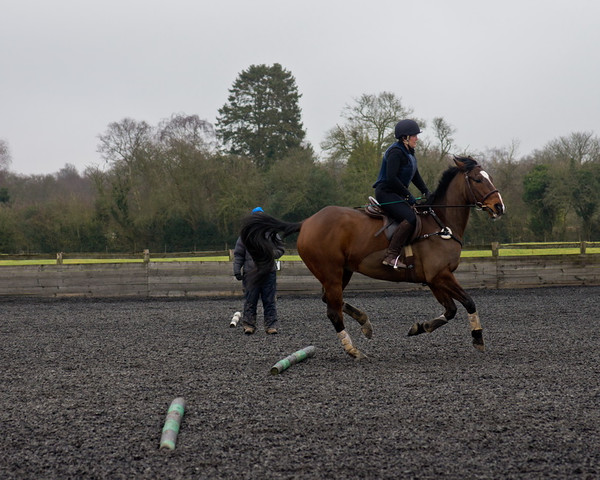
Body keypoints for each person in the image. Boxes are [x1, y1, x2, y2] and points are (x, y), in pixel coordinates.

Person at [372, 119, 431, 269]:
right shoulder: (395, 152)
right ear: (405, 138)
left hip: (396, 193)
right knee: (410, 218)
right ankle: (391, 255)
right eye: (414, 136)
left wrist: (425, 190)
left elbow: (415, 175)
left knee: (417, 213)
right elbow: (392, 179)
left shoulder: (409, 152)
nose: (417, 138)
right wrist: (408, 196)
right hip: (386, 193)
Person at [233, 207, 285, 335]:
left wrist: (272, 254)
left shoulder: (271, 233)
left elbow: (281, 248)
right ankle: (249, 325)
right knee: (250, 299)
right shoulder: (245, 235)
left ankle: (271, 326)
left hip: (268, 272)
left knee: (269, 300)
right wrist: (236, 269)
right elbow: (239, 254)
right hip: (251, 273)